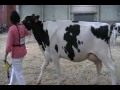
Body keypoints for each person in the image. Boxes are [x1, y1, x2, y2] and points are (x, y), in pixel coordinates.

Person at [4, 11, 29, 85]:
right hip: (22, 52)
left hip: (16, 54)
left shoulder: (12, 29)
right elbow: (27, 33)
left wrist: (5, 56)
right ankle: (11, 83)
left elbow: (9, 45)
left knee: (19, 73)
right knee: (15, 69)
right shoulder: (22, 26)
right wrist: (21, 24)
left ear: (11, 19)